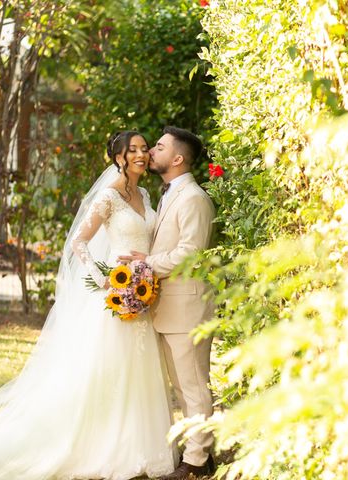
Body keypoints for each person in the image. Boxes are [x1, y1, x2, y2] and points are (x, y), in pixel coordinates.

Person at [0, 130, 178, 479]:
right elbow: (78, 241)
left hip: (141, 295)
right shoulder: (109, 197)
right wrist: (104, 276)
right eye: (132, 150)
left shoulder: (146, 194)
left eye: (143, 148)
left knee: (138, 372)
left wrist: (144, 275)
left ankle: (138, 445)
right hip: (114, 297)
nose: (140, 154)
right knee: (107, 373)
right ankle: (101, 446)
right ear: (119, 158)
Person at [118, 126, 216, 479]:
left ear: (177, 159)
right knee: (183, 387)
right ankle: (201, 452)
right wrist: (149, 257)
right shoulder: (171, 194)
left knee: (193, 387)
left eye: (158, 147)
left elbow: (190, 253)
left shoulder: (193, 198)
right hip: (170, 308)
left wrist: (145, 265)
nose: (150, 152)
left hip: (187, 308)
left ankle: (196, 463)